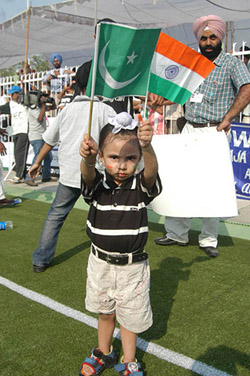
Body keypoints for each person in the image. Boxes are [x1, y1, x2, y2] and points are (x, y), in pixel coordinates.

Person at [154, 14, 250, 257]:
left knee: (211, 185)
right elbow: (181, 93)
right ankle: (177, 234)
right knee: (179, 181)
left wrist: (229, 117)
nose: (208, 42)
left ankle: (208, 240)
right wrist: (160, 101)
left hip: (214, 130)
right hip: (188, 127)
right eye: (204, 38)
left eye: (213, 37)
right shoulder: (193, 63)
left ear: (221, 39)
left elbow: (247, 87)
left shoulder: (231, 64)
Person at [78, 112, 162, 376]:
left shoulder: (140, 185)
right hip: (100, 263)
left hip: (132, 268)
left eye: (130, 158)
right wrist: (87, 159)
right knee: (105, 312)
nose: (122, 165)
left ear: (137, 160)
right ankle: (103, 353)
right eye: (114, 157)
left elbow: (151, 173)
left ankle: (129, 360)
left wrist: (147, 148)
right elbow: (88, 175)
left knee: (129, 317)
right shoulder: (98, 184)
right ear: (102, 158)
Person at [29, 61, 116, 272]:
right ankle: (111, 256)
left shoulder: (67, 109)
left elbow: (49, 139)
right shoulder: (105, 109)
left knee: (56, 215)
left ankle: (41, 260)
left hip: (70, 174)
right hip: (96, 175)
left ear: (78, 83)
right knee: (108, 216)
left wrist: (37, 161)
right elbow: (118, 140)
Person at [24, 94, 56, 187]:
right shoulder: (33, 109)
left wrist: (51, 101)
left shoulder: (40, 107)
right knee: (38, 156)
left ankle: (46, 176)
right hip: (36, 136)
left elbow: (53, 108)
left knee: (48, 157)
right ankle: (29, 178)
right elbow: (40, 118)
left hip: (42, 136)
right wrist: (43, 106)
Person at [0, 85, 29, 184]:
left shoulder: (25, 103)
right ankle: (21, 174)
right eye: (16, 94)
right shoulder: (10, 105)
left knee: (21, 153)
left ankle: (19, 176)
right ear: (12, 94)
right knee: (17, 153)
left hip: (24, 131)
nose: (18, 95)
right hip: (15, 131)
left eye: (19, 94)